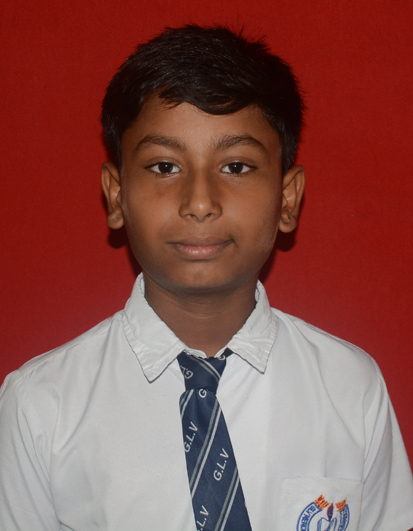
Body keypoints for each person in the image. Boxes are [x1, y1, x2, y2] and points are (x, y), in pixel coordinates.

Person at [0, 25, 412, 531]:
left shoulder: (350, 389)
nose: (199, 202)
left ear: (287, 199)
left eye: (236, 167)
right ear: (115, 195)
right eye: (164, 166)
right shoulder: (41, 407)